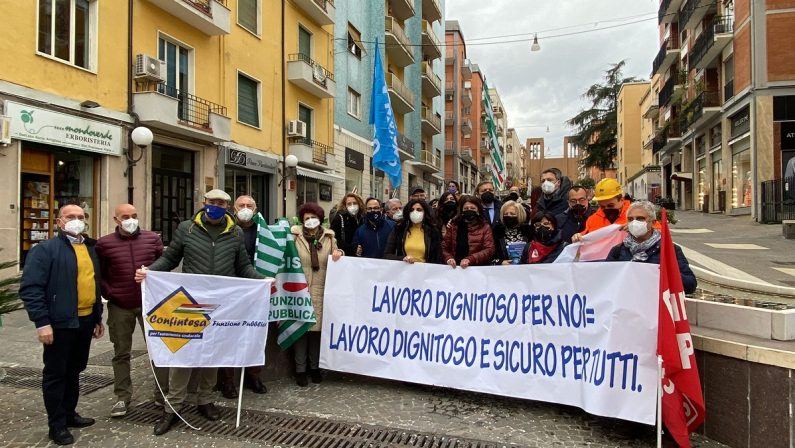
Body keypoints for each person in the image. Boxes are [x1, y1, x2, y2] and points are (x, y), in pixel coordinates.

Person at [134, 189, 265, 436]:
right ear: (204, 203)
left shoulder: (235, 232)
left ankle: (205, 400)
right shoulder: (187, 228)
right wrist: (149, 271)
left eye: (222, 203)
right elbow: (170, 258)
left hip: (221, 302)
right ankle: (172, 406)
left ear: (228, 207)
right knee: (183, 352)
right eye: (213, 202)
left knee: (213, 353)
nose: (217, 206)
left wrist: (262, 281)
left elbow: (243, 266)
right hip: (191, 301)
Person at [20, 204, 105, 446]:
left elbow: (93, 285)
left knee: (75, 369)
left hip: (86, 319)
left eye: (80, 217)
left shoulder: (90, 248)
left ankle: (69, 413)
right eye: (71, 217)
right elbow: (31, 288)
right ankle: (56, 424)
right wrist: (42, 323)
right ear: (59, 222)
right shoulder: (45, 250)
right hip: (59, 322)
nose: (76, 221)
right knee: (56, 374)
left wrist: (98, 318)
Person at [96, 203, 168, 418]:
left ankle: (162, 394)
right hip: (120, 305)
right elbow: (99, 274)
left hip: (151, 304)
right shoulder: (104, 244)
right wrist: (111, 293)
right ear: (116, 219)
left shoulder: (152, 239)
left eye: (134, 215)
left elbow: (164, 264)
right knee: (121, 352)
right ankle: (122, 396)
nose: (130, 219)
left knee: (158, 350)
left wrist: (153, 274)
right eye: (125, 216)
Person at [215, 195, 268, 399]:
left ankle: (253, 375)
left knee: (254, 334)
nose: (245, 209)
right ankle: (227, 380)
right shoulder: (225, 229)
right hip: (229, 290)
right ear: (233, 209)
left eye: (249, 206)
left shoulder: (264, 232)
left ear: (255, 210)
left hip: (255, 291)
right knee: (227, 335)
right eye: (241, 206)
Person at [291, 203, 344, 386]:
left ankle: (314, 368)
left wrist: (339, 253)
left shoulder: (329, 238)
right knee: (300, 330)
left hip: (321, 290)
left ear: (320, 219)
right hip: (299, 289)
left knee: (316, 332)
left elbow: (337, 255)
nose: (310, 221)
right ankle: (300, 370)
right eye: (306, 218)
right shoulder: (294, 236)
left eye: (313, 217)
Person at [606, 201, 697, 294]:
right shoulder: (617, 250)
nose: (634, 222)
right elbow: (606, 279)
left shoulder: (669, 250)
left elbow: (690, 285)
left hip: (656, 305)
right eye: (630, 219)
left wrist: (666, 273)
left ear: (653, 222)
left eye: (640, 219)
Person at [442, 195, 495, 268]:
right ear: (461, 210)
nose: (469, 210)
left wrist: (471, 259)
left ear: (478, 210)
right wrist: (448, 258)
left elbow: (489, 249)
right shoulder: (454, 226)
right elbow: (444, 247)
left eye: (473, 208)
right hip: (455, 268)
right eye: (466, 208)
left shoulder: (485, 227)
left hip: (476, 269)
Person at [383, 199, 442, 264]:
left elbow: (437, 257)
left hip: (425, 271)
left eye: (419, 210)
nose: (415, 212)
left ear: (425, 212)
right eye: (411, 210)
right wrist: (402, 258)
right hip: (403, 271)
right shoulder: (399, 229)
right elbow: (387, 254)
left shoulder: (433, 231)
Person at [492, 200, 533, 265]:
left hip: (525, 268)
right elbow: (491, 254)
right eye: (506, 214)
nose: (509, 216)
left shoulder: (529, 231)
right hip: (504, 270)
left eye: (512, 214)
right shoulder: (497, 231)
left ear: (520, 215)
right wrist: (500, 262)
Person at [330, 193, 364, 258]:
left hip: (361, 258)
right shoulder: (339, 218)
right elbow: (334, 239)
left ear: (359, 204)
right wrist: (352, 249)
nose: (352, 206)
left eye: (355, 203)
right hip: (345, 257)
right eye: (349, 204)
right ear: (345, 205)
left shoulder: (363, 218)